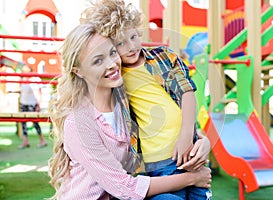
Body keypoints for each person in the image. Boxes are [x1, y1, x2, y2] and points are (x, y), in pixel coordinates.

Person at [48, 23, 212, 200]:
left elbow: (164, 124)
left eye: (112, 53)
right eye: (97, 61)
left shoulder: (125, 104)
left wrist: (202, 142)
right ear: (78, 71)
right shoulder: (79, 123)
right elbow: (124, 188)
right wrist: (192, 178)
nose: (111, 64)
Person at [18, 65, 47, 149]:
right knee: (23, 122)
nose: (24, 72)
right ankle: (25, 141)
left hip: (32, 103)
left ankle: (42, 140)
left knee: (35, 122)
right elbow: (22, 92)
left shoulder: (35, 79)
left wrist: (38, 104)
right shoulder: (22, 80)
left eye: (25, 70)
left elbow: (39, 92)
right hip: (23, 103)